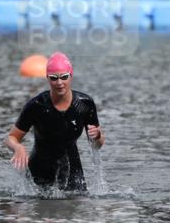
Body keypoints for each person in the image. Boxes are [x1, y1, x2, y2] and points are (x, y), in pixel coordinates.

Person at [6, 52, 104, 193]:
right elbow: (11, 138)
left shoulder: (85, 104)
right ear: (47, 78)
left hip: (73, 173)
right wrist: (18, 148)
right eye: (54, 78)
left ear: (71, 75)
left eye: (64, 77)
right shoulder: (36, 105)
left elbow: (97, 145)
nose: (59, 83)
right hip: (39, 173)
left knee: (78, 208)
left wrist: (99, 136)